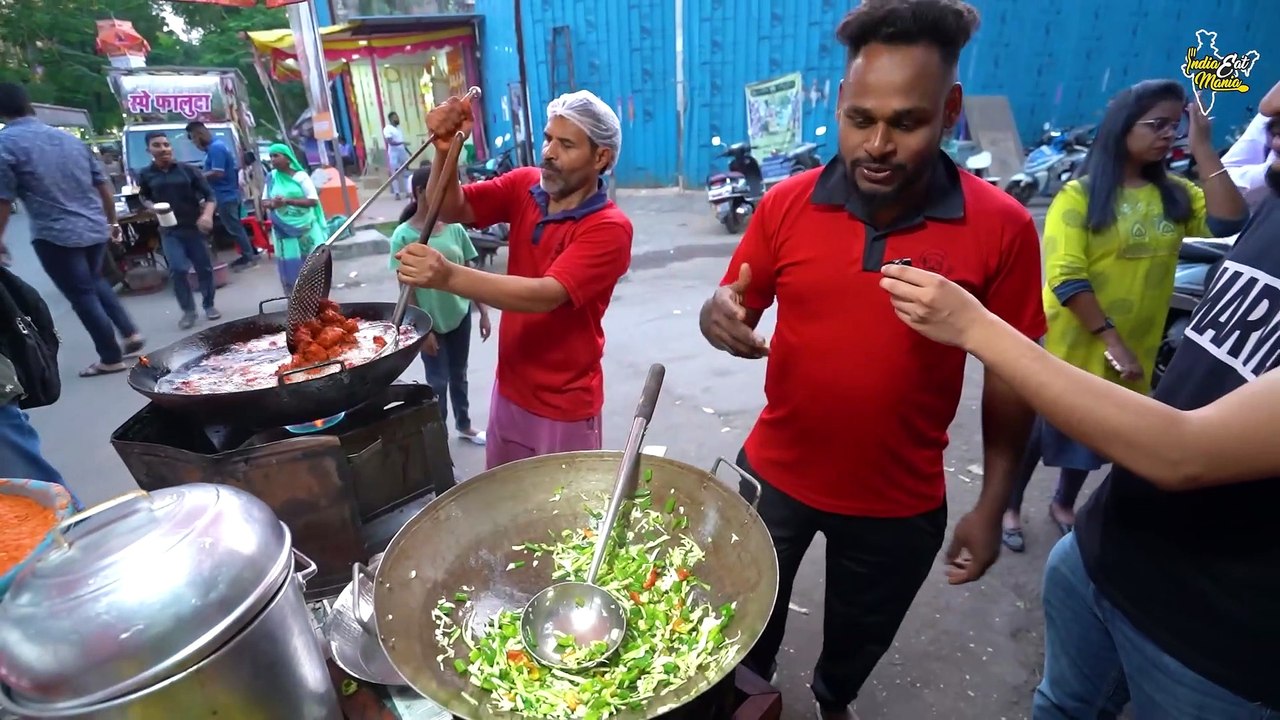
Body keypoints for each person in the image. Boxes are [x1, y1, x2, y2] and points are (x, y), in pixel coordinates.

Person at [697, 2, 1044, 718]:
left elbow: (1014, 378)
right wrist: (714, 317)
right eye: (861, 119)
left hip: (899, 501)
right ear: (839, 106)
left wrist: (994, 501)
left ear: (949, 111)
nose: (878, 144)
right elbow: (734, 302)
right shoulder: (786, 205)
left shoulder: (1001, 227)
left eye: (907, 122)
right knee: (737, 640)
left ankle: (832, 700)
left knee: (859, 638)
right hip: (773, 481)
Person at [879, 143, 1280, 717]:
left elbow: (1184, 451)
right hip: (1106, 558)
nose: (1269, 100)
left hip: (1217, 646)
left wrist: (972, 325)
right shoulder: (1273, 206)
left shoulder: (1008, 221)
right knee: (1061, 706)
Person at [1000, 80, 1249, 552]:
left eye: (1175, 127)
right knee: (1039, 429)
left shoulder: (1176, 195)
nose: (1166, 135)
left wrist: (1203, 147)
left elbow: (1230, 222)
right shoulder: (1080, 196)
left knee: (1097, 431)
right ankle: (1009, 506)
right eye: (1157, 124)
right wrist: (1112, 341)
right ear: (1122, 128)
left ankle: (1063, 502)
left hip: (1137, 340)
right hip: (1074, 341)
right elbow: (1067, 277)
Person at [395, 89, 631, 471]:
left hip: (564, 407)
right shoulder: (525, 186)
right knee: (507, 511)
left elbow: (546, 295)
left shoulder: (609, 228)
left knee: (561, 524)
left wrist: (448, 274)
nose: (549, 152)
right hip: (509, 392)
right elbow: (454, 206)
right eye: (549, 138)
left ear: (600, 157)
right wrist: (445, 150)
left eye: (566, 144)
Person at [0, 82, 145, 376]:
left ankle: (110, 356)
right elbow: (102, 184)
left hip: (56, 235)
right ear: (28, 105)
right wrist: (111, 222)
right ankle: (130, 333)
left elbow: (3, 198)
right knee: (96, 282)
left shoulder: (7, 144)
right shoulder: (67, 139)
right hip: (93, 229)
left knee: (82, 295)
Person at [390, 166, 492, 445]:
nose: (449, 195)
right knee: (437, 383)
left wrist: (482, 312)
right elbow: (406, 288)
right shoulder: (403, 235)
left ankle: (465, 425)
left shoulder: (455, 229)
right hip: (430, 324)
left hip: (460, 316)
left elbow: (471, 273)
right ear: (422, 192)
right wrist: (420, 329)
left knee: (459, 375)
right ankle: (440, 441)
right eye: (442, 187)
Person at [138, 131, 220, 330]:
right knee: (178, 269)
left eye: (166, 144)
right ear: (149, 149)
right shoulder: (146, 174)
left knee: (204, 268)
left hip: (194, 228)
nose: (163, 148)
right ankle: (188, 311)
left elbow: (210, 196)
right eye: (157, 145)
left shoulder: (188, 171)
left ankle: (209, 305)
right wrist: (151, 206)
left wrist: (207, 216)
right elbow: (143, 196)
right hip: (169, 231)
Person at [186, 121, 258, 272]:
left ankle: (249, 257)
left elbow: (218, 172)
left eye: (193, 138)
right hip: (228, 193)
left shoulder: (215, 149)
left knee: (234, 228)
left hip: (225, 195)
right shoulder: (215, 148)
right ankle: (251, 253)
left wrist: (198, 177)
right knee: (236, 227)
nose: (194, 143)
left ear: (200, 134)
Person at [263, 143, 326, 294]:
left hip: (306, 227)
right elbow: (264, 202)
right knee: (289, 263)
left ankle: (315, 295)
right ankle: (293, 295)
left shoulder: (301, 177)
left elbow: (312, 200)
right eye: (271, 156)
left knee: (311, 260)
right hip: (283, 228)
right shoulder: (271, 178)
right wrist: (274, 203)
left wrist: (287, 201)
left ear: (287, 158)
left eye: (276, 155)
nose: (273, 159)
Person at [1220, 79, 1280, 213]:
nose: (1276, 143)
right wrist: (1270, 172)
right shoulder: (1271, 113)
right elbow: (1221, 181)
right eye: (1276, 135)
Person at [384, 111, 410, 201]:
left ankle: (408, 192)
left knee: (406, 173)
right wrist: (402, 143)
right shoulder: (387, 129)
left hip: (402, 153)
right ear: (391, 119)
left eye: (397, 117)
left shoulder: (398, 129)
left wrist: (408, 152)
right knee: (395, 174)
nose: (397, 119)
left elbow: (401, 143)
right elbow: (390, 142)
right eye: (395, 117)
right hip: (393, 155)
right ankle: (397, 193)